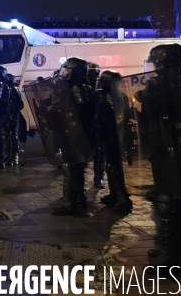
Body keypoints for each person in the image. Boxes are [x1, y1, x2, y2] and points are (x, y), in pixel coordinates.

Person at [136, 44, 181, 265]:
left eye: (158, 63)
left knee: (167, 200)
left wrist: (138, 103)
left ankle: (168, 254)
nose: (155, 67)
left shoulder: (160, 86)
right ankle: (179, 243)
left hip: (168, 149)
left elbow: (151, 115)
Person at [50, 57, 96, 215]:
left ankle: (69, 202)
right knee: (76, 167)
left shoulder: (79, 88)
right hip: (77, 132)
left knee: (71, 166)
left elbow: (80, 111)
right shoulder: (76, 86)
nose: (66, 72)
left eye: (69, 70)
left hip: (79, 133)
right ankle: (79, 198)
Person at [94, 70, 132, 212]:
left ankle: (122, 198)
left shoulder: (104, 98)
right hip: (116, 136)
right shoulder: (120, 96)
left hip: (109, 136)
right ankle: (115, 194)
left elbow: (100, 119)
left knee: (113, 167)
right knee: (112, 166)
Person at [3, 73, 25, 166]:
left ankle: (12, 156)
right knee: (7, 136)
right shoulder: (7, 89)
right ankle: (8, 155)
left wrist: (12, 113)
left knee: (12, 136)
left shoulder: (13, 89)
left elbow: (19, 104)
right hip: (8, 116)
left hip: (13, 116)